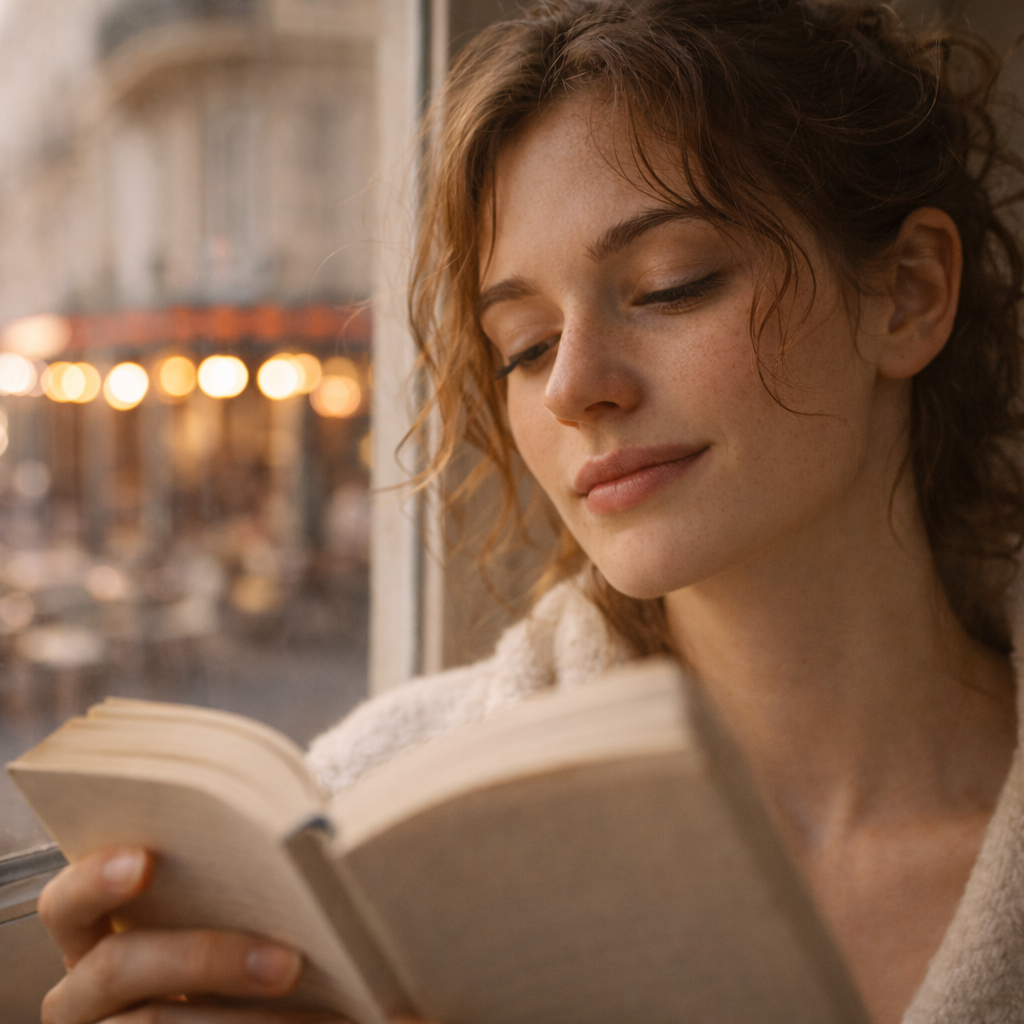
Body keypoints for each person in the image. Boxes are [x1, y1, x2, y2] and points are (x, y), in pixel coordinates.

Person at [35, 1, 1024, 1022]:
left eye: (669, 286)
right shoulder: (358, 819)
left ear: (907, 293)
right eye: (524, 344)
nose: (571, 388)